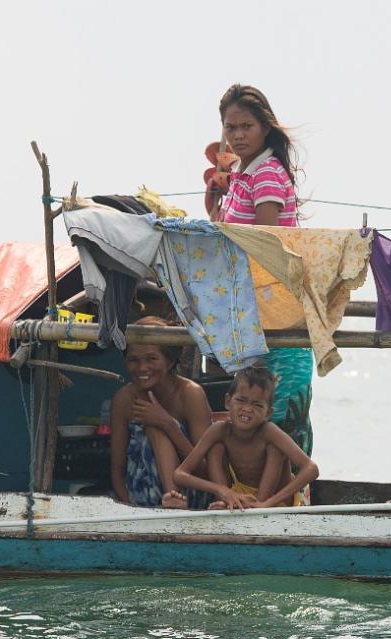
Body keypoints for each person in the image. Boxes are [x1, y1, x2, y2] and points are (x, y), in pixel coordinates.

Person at [214, 84, 315, 467]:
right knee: (254, 425)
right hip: (254, 316)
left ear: (264, 128)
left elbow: (266, 247)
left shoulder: (268, 174)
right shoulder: (242, 174)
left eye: (246, 127)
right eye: (230, 127)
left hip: (277, 315)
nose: (238, 135)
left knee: (280, 426)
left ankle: (290, 504)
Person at [174, 366, 318, 511]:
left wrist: (267, 503)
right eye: (241, 400)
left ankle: (258, 507)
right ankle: (225, 503)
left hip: (277, 502)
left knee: (275, 449)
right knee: (216, 448)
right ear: (227, 402)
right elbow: (180, 474)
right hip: (236, 497)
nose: (247, 409)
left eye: (257, 405)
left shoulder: (269, 431)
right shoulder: (219, 430)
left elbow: (311, 469)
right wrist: (221, 490)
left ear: (268, 413)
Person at [109, 316, 213, 508]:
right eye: (133, 360)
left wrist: (168, 424)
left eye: (152, 359)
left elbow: (206, 470)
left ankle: (173, 499)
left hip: (191, 495)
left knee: (155, 424)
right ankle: (168, 501)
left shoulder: (190, 394)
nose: (142, 368)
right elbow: (117, 470)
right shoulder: (123, 399)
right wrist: (127, 507)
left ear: (170, 360)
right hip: (141, 496)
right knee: (152, 424)